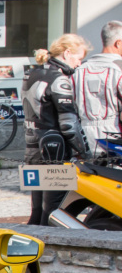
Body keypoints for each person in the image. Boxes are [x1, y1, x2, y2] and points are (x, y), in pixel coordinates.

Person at [22, 34, 91, 225]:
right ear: (67, 53)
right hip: (55, 152)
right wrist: (85, 153)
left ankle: (29, 252)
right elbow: (68, 125)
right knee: (53, 210)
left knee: (36, 210)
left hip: (32, 148)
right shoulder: (59, 79)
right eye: (79, 59)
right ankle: (47, 253)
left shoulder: (32, 73)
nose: (79, 64)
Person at [70, 20, 122, 155]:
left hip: (82, 135)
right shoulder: (119, 69)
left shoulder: (80, 69)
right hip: (114, 135)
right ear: (118, 43)